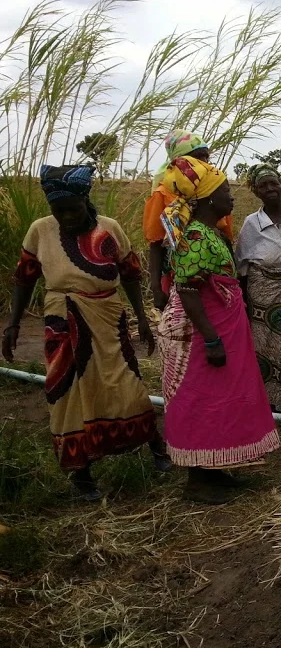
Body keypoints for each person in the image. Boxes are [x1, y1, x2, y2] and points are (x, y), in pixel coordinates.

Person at [2, 165, 169, 501]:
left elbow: (131, 275)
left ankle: (158, 450)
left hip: (108, 316)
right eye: (58, 210)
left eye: (72, 209)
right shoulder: (40, 231)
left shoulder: (110, 229)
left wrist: (143, 318)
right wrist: (13, 323)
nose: (65, 217)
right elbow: (24, 278)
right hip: (60, 318)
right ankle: (82, 477)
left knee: (127, 383)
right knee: (65, 391)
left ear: (85, 199)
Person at [156, 156, 280, 503]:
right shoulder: (195, 236)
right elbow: (190, 290)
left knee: (219, 398)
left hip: (216, 325)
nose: (232, 197)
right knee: (200, 399)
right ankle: (197, 480)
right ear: (210, 200)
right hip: (198, 332)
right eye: (226, 191)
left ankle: (215, 470)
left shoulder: (208, 232)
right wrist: (210, 338)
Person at [235, 164, 281, 414]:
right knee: (265, 349)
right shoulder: (251, 224)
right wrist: (245, 305)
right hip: (263, 300)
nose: (270, 189)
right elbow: (243, 269)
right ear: (256, 191)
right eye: (263, 185)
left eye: (273, 183)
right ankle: (269, 402)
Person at [143, 129, 233, 311]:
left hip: (216, 274)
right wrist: (156, 289)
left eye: (206, 157)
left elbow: (226, 237)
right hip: (180, 276)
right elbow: (156, 243)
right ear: (180, 161)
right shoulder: (163, 194)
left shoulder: (215, 191)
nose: (203, 163)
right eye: (198, 157)